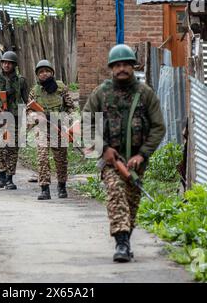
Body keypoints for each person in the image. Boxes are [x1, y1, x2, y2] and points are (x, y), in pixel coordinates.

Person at [82, 44, 165, 262]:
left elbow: (158, 127)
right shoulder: (101, 93)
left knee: (131, 202)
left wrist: (143, 155)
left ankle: (125, 241)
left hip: (136, 162)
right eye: (117, 65)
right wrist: (103, 148)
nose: (121, 69)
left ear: (132, 66)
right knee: (116, 194)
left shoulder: (145, 94)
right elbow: (86, 123)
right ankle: (121, 244)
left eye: (126, 64)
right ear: (111, 68)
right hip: (111, 160)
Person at [28, 60, 75, 200]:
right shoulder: (35, 91)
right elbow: (29, 110)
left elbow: (71, 108)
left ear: (52, 73)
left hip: (59, 128)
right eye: (41, 72)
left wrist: (67, 122)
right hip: (42, 129)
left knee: (61, 159)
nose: (44, 74)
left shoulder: (61, 88)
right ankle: (44, 189)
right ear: (37, 75)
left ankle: (61, 186)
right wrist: (37, 117)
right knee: (42, 158)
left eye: (47, 71)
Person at [0, 51, 29, 189]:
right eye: (4, 62)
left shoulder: (21, 81)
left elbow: (27, 100)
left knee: (12, 148)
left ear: (14, 64)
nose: (6, 65)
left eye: (9, 63)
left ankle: (10, 178)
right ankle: (1, 175)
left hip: (15, 118)